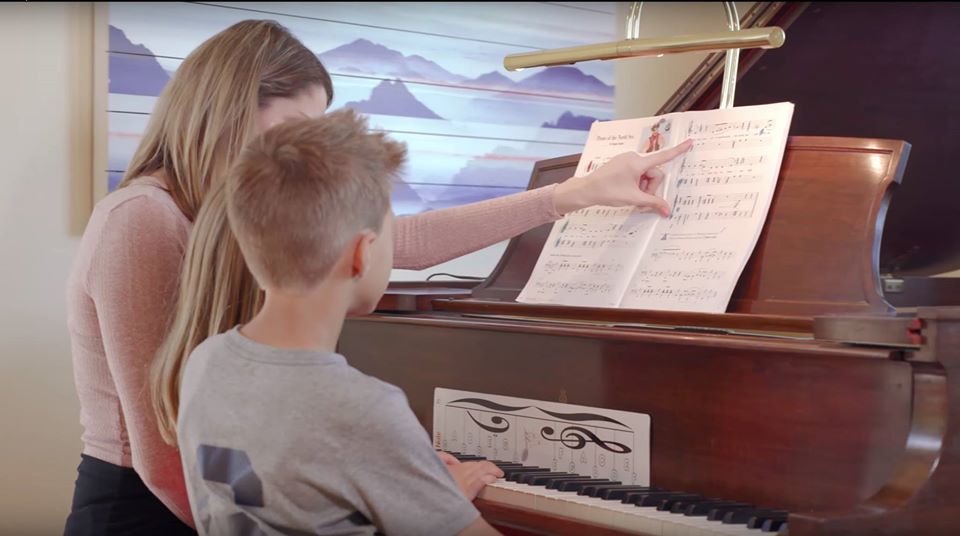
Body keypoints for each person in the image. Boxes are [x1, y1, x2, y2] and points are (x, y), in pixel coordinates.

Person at [66, 18, 691, 534]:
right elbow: (164, 456)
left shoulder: (243, 222)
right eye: (293, 131)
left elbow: (401, 242)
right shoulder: (142, 219)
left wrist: (569, 195)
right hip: (142, 511)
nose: (305, 155)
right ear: (225, 113)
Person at [177, 109, 502, 535]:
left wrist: (412, 484)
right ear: (361, 254)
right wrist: (441, 503)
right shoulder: (362, 409)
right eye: (391, 233)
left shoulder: (205, 362)